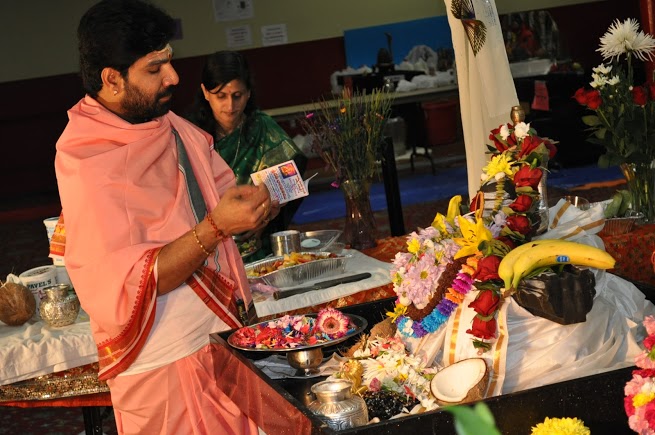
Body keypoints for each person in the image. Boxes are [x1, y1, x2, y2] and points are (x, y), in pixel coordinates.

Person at [55, 1, 271, 433]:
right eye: (155, 68)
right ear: (112, 79)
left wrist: (252, 209)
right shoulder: (88, 161)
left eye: (169, 61)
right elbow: (135, 284)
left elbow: (218, 201)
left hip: (222, 334)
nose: (173, 77)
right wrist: (218, 227)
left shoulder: (170, 125)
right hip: (162, 361)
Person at [185, 50, 307, 260]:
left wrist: (268, 211)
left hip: (257, 246)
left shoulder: (262, 128)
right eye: (221, 96)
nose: (230, 106)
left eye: (237, 96)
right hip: (209, 251)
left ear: (248, 92)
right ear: (205, 92)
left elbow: (292, 172)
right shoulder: (191, 135)